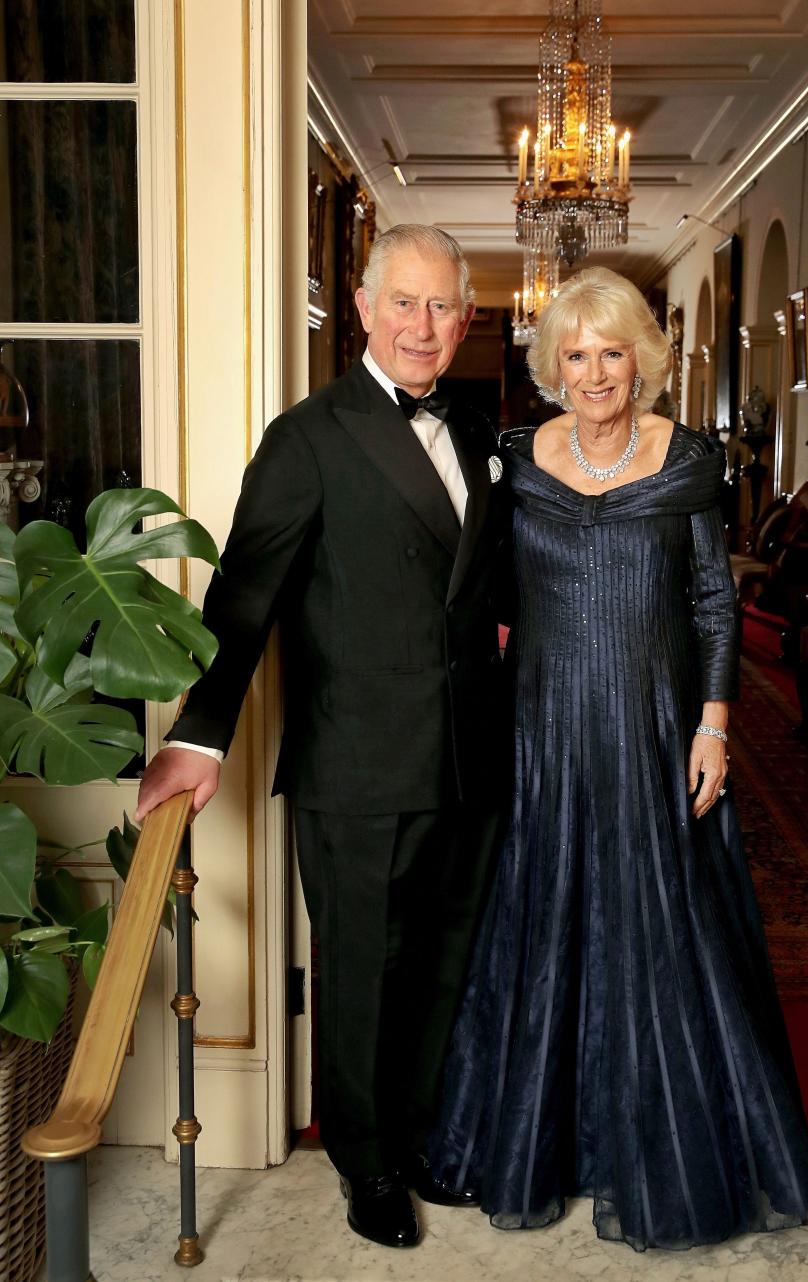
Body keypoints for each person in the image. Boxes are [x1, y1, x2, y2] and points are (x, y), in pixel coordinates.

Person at [428, 267, 808, 1251]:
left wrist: (713, 726)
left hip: (656, 726)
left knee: (660, 929)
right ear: (552, 366)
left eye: (614, 351)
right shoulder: (516, 462)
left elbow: (711, 602)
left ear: (643, 360)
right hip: (545, 729)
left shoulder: (686, 460)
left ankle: (662, 1143)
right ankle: (545, 1140)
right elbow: (467, 588)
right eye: (577, 353)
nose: (597, 370)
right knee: (547, 921)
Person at [136, 225, 510, 1250]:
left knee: (443, 958)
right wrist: (199, 739)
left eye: (442, 307)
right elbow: (243, 598)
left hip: (472, 755)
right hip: (358, 758)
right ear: (362, 307)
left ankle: (422, 1134)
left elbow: (491, 583)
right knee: (362, 967)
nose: (423, 326)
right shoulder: (308, 435)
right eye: (404, 303)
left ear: (466, 319)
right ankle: (366, 1160)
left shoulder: (481, 432)